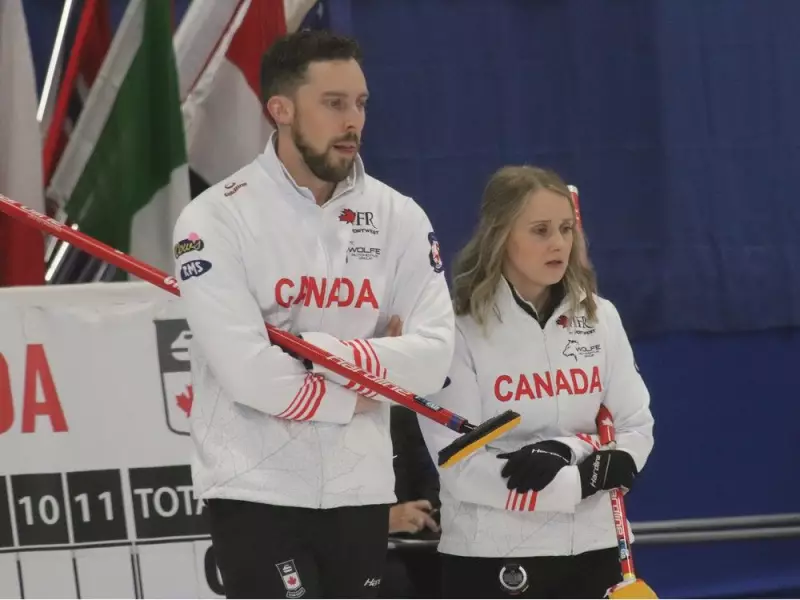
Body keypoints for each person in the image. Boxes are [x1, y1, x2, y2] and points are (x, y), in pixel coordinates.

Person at [172, 30, 455, 599]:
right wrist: (368, 387)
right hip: (258, 492)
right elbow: (250, 374)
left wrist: (326, 356)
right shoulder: (214, 221)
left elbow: (434, 359)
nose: (353, 120)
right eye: (333, 103)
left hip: (361, 492)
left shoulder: (399, 216)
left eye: (360, 103)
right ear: (280, 109)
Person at [418, 166, 654, 599]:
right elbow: (460, 466)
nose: (558, 243)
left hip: (596, 546)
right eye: (541, 230)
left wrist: (588, 453)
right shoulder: (458, 329)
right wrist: (578, 482)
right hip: (493, 553)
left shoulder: (601, 318)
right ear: (500, 236)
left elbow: (634, 426)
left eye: (566, 229)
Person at [381, 403, 443, 598]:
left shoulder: (406, 419)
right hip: (371, 549)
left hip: (428, 546)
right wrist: (382, 521)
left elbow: (430, 479)